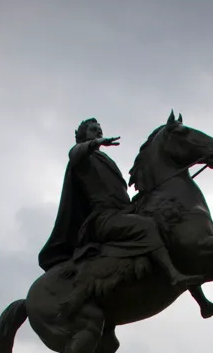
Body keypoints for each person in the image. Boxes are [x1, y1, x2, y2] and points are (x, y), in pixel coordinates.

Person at [38, 118, 203, 290]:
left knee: (165, 223)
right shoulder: (82, 158)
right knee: (146, 225)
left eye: (99, 129)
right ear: (82, 135)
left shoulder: (104, 159)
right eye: (94, 129)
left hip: (122, 211)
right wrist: (96, 142)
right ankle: (173, 275)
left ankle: (202, 301)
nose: (98, 131)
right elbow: (75, 153)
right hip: (103, 218)